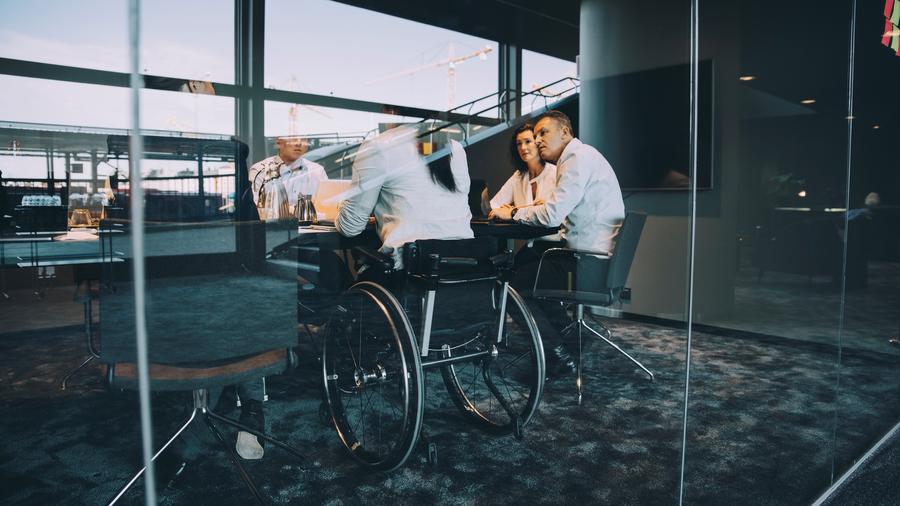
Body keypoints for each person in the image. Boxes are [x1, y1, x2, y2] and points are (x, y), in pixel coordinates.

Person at [492, 110, 625, 378]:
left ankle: (557, 355)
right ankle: (570, 339)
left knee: (508, 287)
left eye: (544, 133)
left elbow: (552, 214)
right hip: (593, 260)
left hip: (587, 262)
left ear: (565, 132)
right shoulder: (582, 156)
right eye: (536, 135)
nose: (538, 140)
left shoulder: (576, 158)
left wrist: (515, 212)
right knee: (527, 276)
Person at [335, 127, 473, 273]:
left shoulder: (380, 146)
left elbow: (350, 227)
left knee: (333, 268)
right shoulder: (455, 147)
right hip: (463, 265)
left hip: (411, 271)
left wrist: (341, 205)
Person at [487, 122, 558, 216]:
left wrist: (513, 211)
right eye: (519, 144)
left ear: (538, 143)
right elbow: (493, 206)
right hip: (521, 231)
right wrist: (528, 209)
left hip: (551, 231)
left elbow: (555, 212)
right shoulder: (518, 176)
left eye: (528, 141)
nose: (523, 147)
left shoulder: (556, 173)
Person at [249, 136, 328, 209]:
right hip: (272, 224)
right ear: (278, 142)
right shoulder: (260, 170)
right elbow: (257, 209)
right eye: (293, 138)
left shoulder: (317, 171)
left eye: (304, 139)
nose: (299, 143)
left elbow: (326, 206)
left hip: (312, 224)